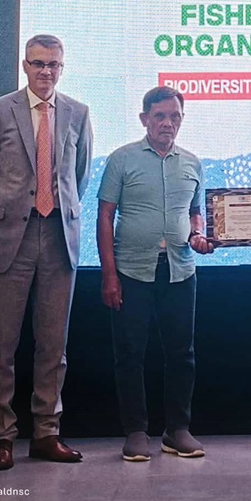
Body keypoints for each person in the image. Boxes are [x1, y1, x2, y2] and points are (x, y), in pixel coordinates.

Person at [0, 34, 93, 470]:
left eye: (53, 64)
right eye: (38, 63)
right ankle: (1, 436)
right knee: (1, 345)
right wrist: (1, 216)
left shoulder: (78, 113)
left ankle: (46, 433)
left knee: (53, 346)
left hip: (58, 237)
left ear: (62, 68)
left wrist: (55, 209)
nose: (46, 71)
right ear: (24, 65)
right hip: (9, 240)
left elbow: (79, 176)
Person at [97, 86, 213, 461]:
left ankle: (177, 430)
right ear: (144, 119)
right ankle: (135, 431)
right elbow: (104, 216)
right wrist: (109, 274)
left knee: (182, 354)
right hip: (130, 272)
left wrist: (197, 234)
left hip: (180, 271)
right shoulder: (121, 159)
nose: (167, 123)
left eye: (174, 116)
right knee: (130, 353)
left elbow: (196, 212)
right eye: (160, 116)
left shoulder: (192, 162)